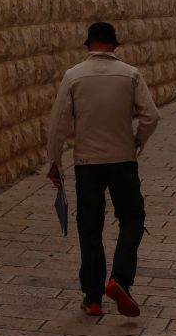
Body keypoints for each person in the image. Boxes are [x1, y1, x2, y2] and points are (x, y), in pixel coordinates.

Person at [46, 20, 160, 317]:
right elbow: (151, 116)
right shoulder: (130, 74)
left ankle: (93, 298)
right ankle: (119, 279)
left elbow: (58, 124)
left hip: (87, 163)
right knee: (133, 218)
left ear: (89, 45)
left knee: (90, 226)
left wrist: (55, 162)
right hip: (123, 160)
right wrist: (137, 143)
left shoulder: (73, 76)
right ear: (114, 46)